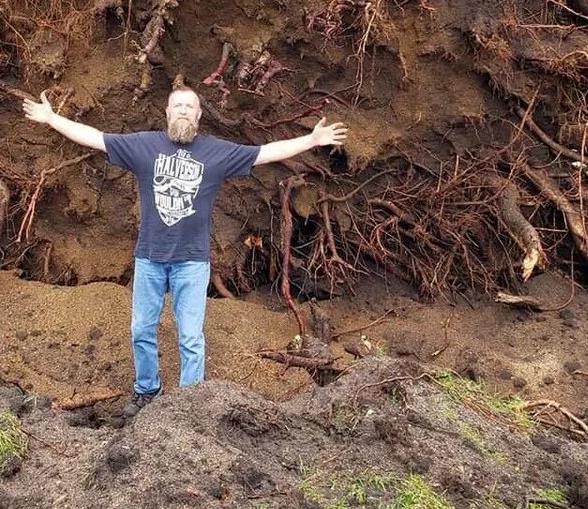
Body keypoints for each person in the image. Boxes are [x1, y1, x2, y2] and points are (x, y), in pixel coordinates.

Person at [21, 86, 347, 416]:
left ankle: (189, 402)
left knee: (191, 337)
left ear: (199, 115)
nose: (183, 110)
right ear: (166, 112)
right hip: (149, 258)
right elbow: (95, 137)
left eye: (189, 107)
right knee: (141, 330)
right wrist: (51, 118)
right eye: (177, 105)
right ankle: (146, 390)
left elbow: (264, 152)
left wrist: (311, 141)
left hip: (192, 262)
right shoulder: (144, 146)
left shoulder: (216, 152)